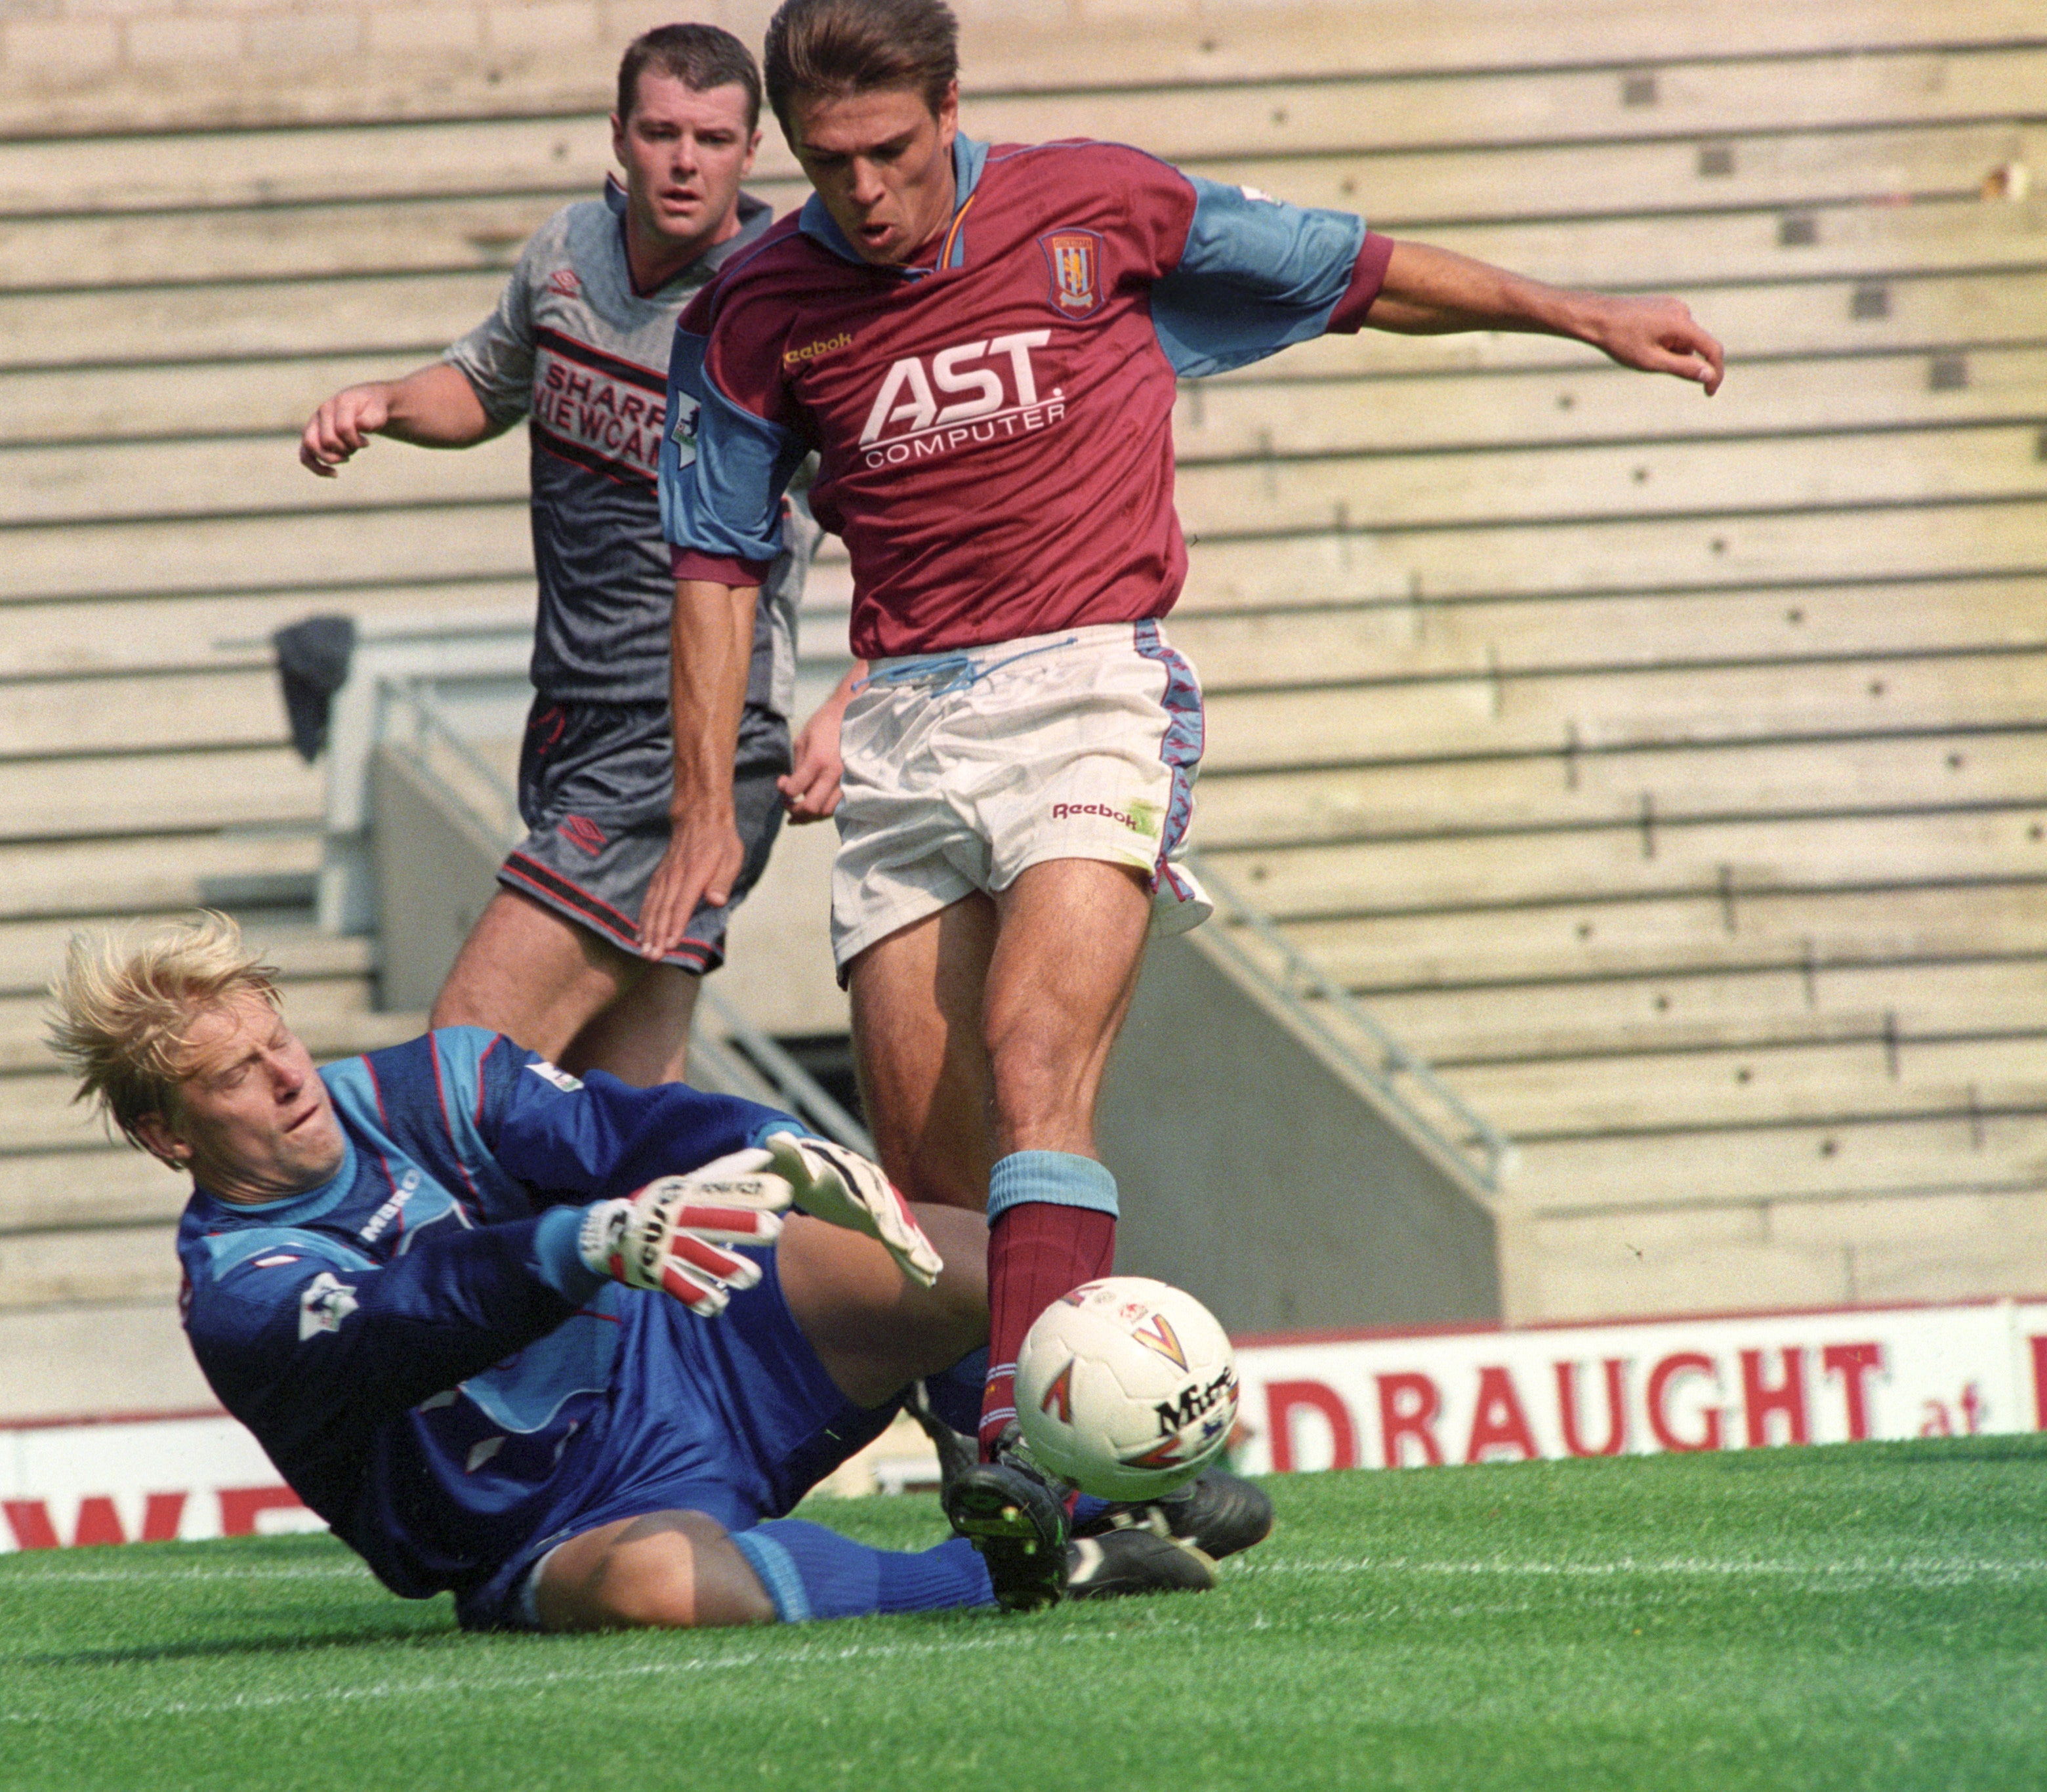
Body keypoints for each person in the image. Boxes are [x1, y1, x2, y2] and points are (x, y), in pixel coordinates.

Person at [639, 0, 1724, 1595]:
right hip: (903, 728)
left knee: (1035, 1061)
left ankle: (1022, 1449)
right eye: (825, 162)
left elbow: (1358, 271)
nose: (861, 191)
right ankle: (1082, 1497)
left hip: (1090, 685)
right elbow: (714, 569)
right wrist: (700, 808)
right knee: (929, 1195)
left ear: (950, 105)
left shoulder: (1098, 203)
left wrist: (1577, 313)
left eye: (889, 150)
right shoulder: (753, 311)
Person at [43, 912, 1265, 1627]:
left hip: (692, 1346)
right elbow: (414, 1314)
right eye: (234, 1076)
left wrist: (774, 1148)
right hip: (548, 1525)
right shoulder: (241, 1293)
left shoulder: (429, 1086)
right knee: (654, 1588)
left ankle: (1075, 1489)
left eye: (278, 1039)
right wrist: (584, 1242)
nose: (286, 1077)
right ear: (167, 1135)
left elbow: (612, 1131)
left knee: (972, 1263)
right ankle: (1021, 1575)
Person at [297, 23, 817, 1088]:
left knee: (467, 1061)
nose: (685, 162)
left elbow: (905, 511)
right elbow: (484, 385)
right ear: (619, 136)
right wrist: (387, 402)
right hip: (571, 722)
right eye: (662, 133)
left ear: (752, 151)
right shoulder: (567, 252)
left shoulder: (777, 308)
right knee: (616, 1113)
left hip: (690, 746)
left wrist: (859, 699)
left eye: (713, 139)